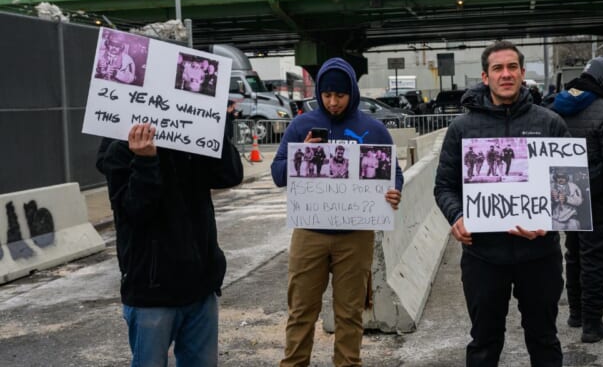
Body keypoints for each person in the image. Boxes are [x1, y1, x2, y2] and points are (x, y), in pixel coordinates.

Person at [434, 40, 570, 367]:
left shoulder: (550, 124)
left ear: (523, 73)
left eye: (512, 68)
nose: (505, 74)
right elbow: (444, 187)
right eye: (498, 68)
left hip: (540, 255)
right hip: (483, 255)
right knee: (483, 342)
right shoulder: (462, 128)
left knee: (544, 339)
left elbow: (570, 187)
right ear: (485, 77)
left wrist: (549, 220)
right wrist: (458, 217)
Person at [271, 57, 404, 367]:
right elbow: (277, 173)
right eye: (327, 95)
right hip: (309, 232)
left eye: (340, 95)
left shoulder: (373, 129)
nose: (333, 102)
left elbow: (393, 173)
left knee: (350, 313)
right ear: (319, 93)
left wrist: (395, 192)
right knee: (301, 310)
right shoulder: (301, 125)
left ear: (352, 93)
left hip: (355, 236)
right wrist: (303, 155)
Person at [98, 122, 243, 367]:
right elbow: (135, 211)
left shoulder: (193, 136)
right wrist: (145, 161)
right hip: (152, 290)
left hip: (201, 286)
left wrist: (215, 125)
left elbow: (230, 175)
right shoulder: (120, 144)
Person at [550, 55, 603, 342]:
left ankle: (576, 314)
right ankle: (592, 324)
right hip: (600, 198)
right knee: (596, 261)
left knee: (574, 255)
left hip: (566, 196)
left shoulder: (557, 105)